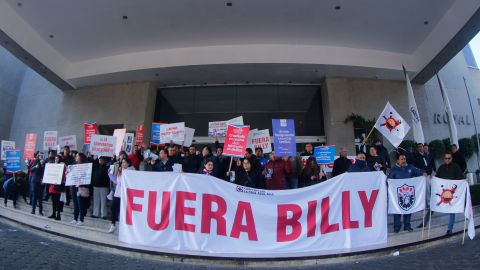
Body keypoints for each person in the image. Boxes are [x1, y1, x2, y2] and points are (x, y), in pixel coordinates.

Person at [428, 152, 464, 235]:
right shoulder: (441, 168)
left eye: (449, 158)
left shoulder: (456, 167)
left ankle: (449, 229)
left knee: (452, 210)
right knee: (432, 206)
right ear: (443, 159)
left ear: (451, 159)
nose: (447, 160)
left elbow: (460, 178)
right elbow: (437, 178)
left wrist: (464, 182)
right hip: (442, 192)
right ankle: (424, 223)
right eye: (446, 158)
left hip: (452, 194)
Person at [389, 153, 426, 233]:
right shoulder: (393, 170)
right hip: (397, 196)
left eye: (404, 159)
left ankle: (407, 226)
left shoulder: (410, 167)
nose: (403, 161)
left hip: (408, 193)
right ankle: (397, 227)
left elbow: (418, 171)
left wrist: (423, 173)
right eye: (402, 159)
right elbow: (389, 181)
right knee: (397, 211)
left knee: (408, 209)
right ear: (398, 160)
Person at [108, 158, 134, 233]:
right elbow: (117, 181)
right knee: (113, 207)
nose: (122, 164)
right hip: (117, 194)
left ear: (128, 164)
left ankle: (122, 226)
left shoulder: (130, 171)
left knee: (121, 210)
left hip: (124, 195)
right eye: (122, 162)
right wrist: (110, 175)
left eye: (124, 162)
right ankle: (113, 224)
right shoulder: (120, 171)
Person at [70, 153, 91, 226]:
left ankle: (81, 219)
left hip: (81, 187)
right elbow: (71, 174)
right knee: (75, 203)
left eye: (77, 156)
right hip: (74, 186)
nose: (76, 157)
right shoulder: (74, 165)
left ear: (81, 157)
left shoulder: (85, 166)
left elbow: (86, 177)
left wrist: (81, 183)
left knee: (80, 204)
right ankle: (75, 218)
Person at [48, 155, 66, 220]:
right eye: (55, 158)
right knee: (53, 201)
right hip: (52, 186)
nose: (56, 159)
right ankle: (53, 213)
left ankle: (58, 215)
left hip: (58, 186)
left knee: (58, 201)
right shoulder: (53, 166)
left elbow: (64, 174)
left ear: (60, 159)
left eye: (57, 158)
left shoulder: (62, 166)